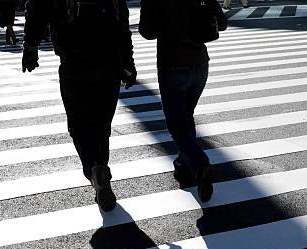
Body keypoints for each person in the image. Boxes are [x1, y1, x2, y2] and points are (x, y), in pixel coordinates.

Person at [22, 0, 136, 212]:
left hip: (74, 60)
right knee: (101, 125)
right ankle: (100, 167)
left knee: (78, 124)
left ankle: (94, 169)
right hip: (109, 60)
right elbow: (121, 18)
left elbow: (38, 8)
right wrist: (128, 60)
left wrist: (31, 46)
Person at [139, 0, 227, 202]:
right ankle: (183, 166)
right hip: (199, 64)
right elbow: (221, 23)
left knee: (176, 124)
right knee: (186, 117)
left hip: (172, 64)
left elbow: (147, 31)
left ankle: (199, 164)